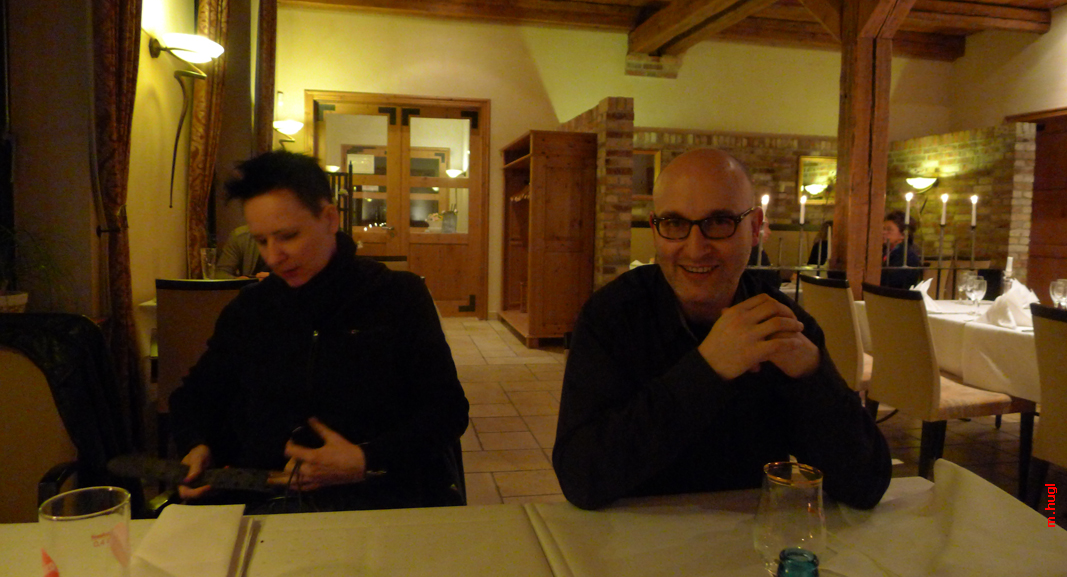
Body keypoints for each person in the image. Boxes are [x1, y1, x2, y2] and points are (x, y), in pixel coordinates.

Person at [552, 148, 891, 511]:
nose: (696, 249)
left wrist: (813, 376)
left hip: (748, 539)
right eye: (674, 223)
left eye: (718, 222)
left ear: (755, 227)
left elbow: (865, 485)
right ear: (655, 228)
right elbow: (581, 478)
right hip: (631, 536)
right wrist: (707, 369)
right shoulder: (611, 317)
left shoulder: (784, 326)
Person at [169, 150, 470, 513]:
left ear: (329, 219)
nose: (272, 257)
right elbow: (195, 398)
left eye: (287, 236)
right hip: (265, 501)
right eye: (261, 241)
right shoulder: (251, 309)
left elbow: (447, 410)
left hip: (378, 501)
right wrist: (197, 445)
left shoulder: (397, 296)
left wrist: (365, 458)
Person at [881, 210, 922, 289]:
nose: (883, 232)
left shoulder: (907, 256)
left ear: (903, 235)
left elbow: (896, 282)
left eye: (889, 230)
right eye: (883, 229)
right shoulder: (884, 250)